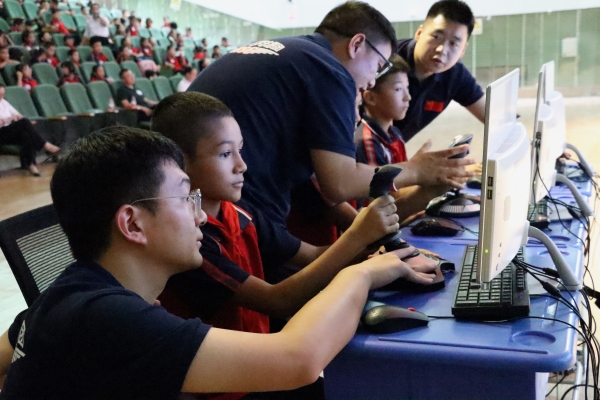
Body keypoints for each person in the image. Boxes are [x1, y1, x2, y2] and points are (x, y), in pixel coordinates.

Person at [0, 126, 431, 399]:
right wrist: (364, 273)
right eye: (184, 198)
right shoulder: (101, 315)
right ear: (132, 223)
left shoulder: (70, 296)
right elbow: (297, 360)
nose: (201, 216)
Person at [188, 1, 474, 279]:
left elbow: (331, 202)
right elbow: (339, 184)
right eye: (378, 65)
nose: (372, 81)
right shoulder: (329, 69)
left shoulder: (296, 56)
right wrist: (417, 170)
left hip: (199, 203)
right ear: (356, 44)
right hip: (226, 219)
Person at [394, 0, 485, 142]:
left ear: (463, 50)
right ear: (419, 33)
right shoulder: (386, 60)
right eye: (436, 37)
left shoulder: (456, 75)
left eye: (453, 43)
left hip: (392, 151)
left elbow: (494, 116)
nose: (442, 49)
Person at [0, 84, 60, 177]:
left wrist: (14, 117)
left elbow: (19, 115)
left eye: (3, 94)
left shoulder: (4, 102)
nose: (1, 97)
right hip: (1, 133)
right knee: (24, 122)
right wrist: (8, 119)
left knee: (26, 135)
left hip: (9, 130)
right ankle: (45, 145)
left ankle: (31, 165)